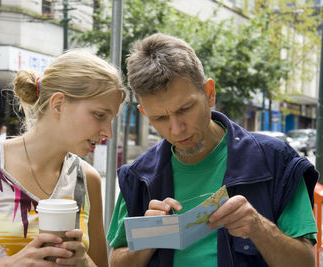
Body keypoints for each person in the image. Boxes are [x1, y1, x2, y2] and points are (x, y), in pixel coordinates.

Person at [107, 33, 319, 267]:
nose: (176, 129)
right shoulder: (138, 176)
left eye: (185, 109)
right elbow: (116, 261)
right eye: (160, 118)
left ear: (209, 93)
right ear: (144, 113)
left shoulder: (277, 161)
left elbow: (306, 263)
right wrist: (149, 237)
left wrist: (259, 228)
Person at [0, 50, 126, 266]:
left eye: (111, 119)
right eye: (99, 115)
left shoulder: (87, 179)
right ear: (58, 104)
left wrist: (83, 261)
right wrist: (10, 264)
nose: (108, 133)